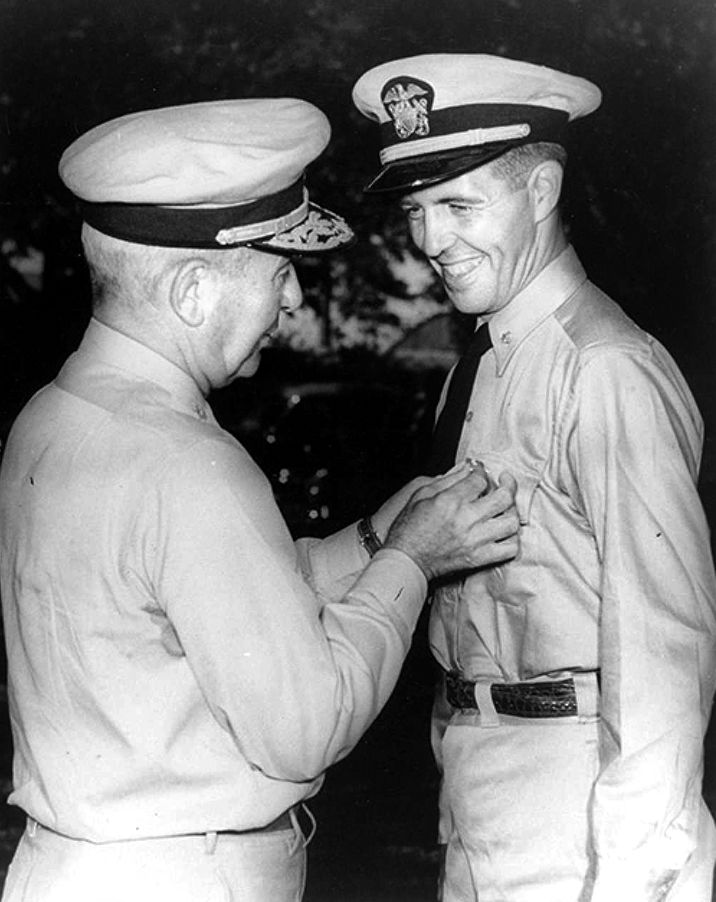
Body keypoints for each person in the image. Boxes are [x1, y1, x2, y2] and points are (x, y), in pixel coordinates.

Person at [0, 98, 521, 902]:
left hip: (73, 866)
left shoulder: (55, 417)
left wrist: (381, 535)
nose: (294, 305)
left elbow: (208, 601)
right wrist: (412, 564)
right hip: (186, 877)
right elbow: (306, 728)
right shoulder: (186, 463)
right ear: (193, 289)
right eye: (281, 275)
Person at [353, 53, 716, 901]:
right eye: (418, 209)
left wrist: (635, 878)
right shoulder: (478, 361)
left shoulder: (604, 369)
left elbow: (663, 653)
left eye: (459, 205)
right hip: (479, 790)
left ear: (543, 192)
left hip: (579, 814)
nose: (430, 241)